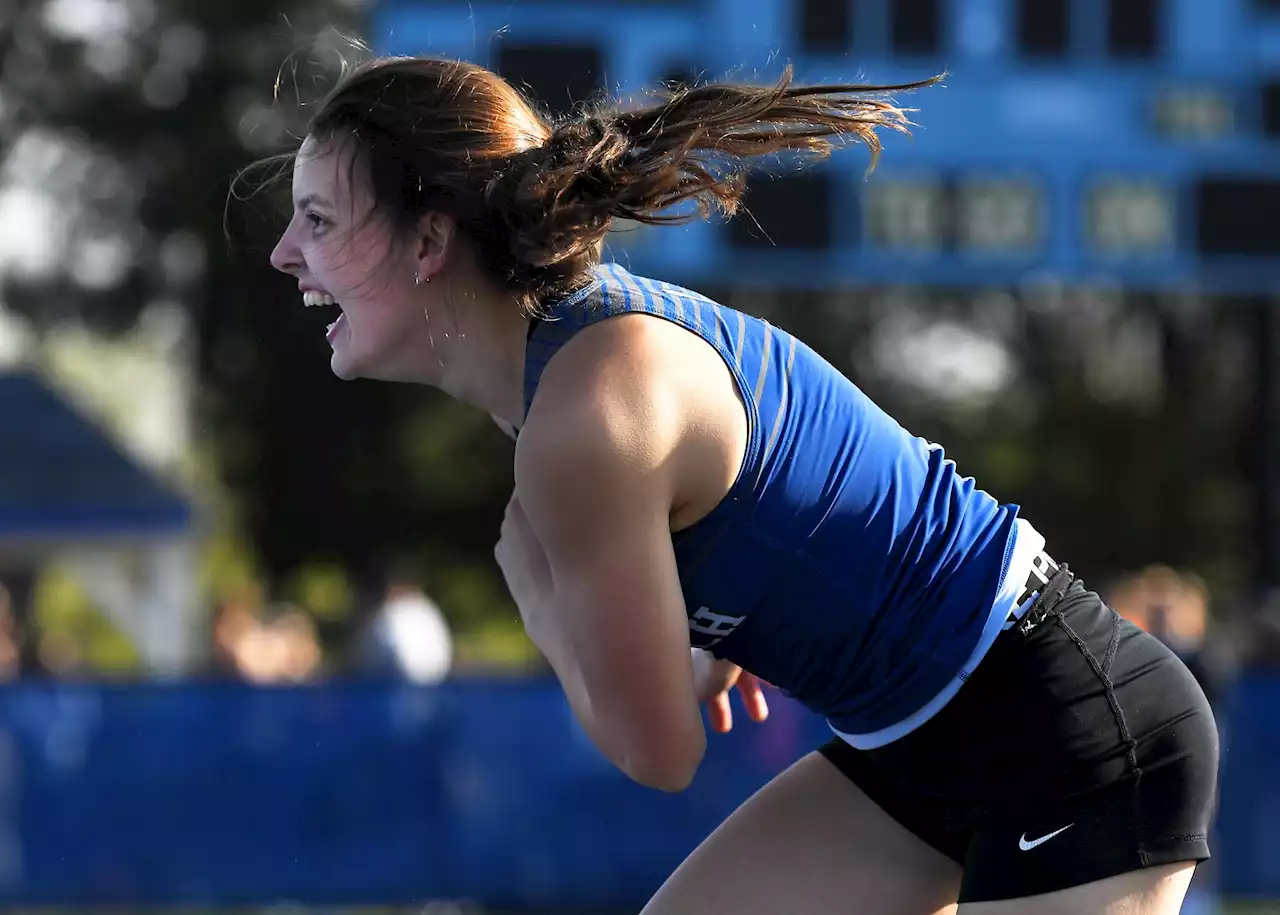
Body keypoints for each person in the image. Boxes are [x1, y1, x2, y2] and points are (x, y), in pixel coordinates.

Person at [250, 51, 1218, 915]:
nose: (284, 253)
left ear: (428, 245)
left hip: (1069, 738)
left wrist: (536, 590)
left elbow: (657, 754)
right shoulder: (569, 377)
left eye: (320, 219)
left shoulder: (581, 420)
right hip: (920, 746)